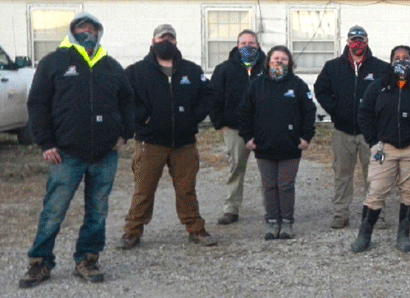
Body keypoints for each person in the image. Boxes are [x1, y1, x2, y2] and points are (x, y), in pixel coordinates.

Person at [20, 12, 133, 288]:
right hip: (66, 154)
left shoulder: (111, 65)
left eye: (92, 28)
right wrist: (45, 143)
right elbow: (37, 104)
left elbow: (129, 101)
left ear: (99, 33)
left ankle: (87, 259)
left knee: (97, 211)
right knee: (54, 210)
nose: (87, 32)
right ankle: (40, 262)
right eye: (82, 28)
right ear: (72, 31)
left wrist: (124, 134)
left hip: (104, 154)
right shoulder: (54, 62)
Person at [117, 24, 217, 249]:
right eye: (162, 38)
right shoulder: (136, 71)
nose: (166, 42)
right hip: (150, 142)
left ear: (176, 42)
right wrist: (144, 119)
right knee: (143, 188)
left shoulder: (191, 71)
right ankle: (132, 231)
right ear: (153, 41)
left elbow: (208, 94)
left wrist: (193, 117)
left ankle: (195, 228)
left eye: (170, 39)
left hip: (184, 143)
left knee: (186, 189)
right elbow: (125, 99)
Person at [351, 45, 410, 253]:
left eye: (406, 57)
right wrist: (372, 140)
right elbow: (364, 114)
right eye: (397, 57)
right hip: (384, 148)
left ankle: (403, 234)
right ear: (390, 61)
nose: (401, 61)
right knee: (376, 191)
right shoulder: (379, 86)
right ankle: (364, 234)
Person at [315, 25, 389, 229]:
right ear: (347, 42)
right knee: (342, 174)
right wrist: (335, 109)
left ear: (367, 42)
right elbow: (320, 89)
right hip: (343, 131)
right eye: (353, 40)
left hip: (371, 133)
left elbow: (388, 94)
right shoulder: (333, 67)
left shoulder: (380, 68)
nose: (357, 44)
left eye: (361, 40)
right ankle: (341, 214)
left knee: (374, 175)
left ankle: (377, 214)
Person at [239, 46, 316, 240]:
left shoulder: (298, 85)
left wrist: (306, 137)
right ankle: (272, 221)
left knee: (285, 185)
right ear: (268, 62)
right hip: (263, 146)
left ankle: (287, 222)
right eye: (275, 58)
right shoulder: (256, 85)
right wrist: (247, 137)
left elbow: (309, 112)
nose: (279, 62)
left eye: (283, 59)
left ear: (289, 63)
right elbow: (245, 112)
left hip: (290, 146)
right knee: (269, 185)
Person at [210, 30, 267, 225]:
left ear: (258, 46)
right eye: (243, 43)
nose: (247, 47)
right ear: (237, 45)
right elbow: (214, 98)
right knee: (235, 168)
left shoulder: (269, 68)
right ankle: (231, 209)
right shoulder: (224, 69)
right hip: (234, 129)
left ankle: (271, 209)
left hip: (263, 129)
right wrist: (221, 124)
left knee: (267, 169)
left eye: (251, 43)